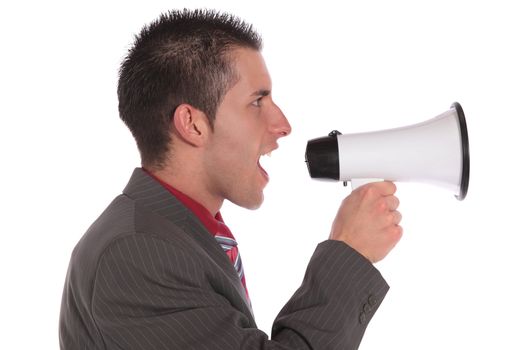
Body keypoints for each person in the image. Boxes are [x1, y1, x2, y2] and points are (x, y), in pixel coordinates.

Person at [59, 9, 402, 350]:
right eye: (257, 101)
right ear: (192, 124)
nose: (283, 125)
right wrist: (349, 252)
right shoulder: (136, 253)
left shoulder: (181, 233)